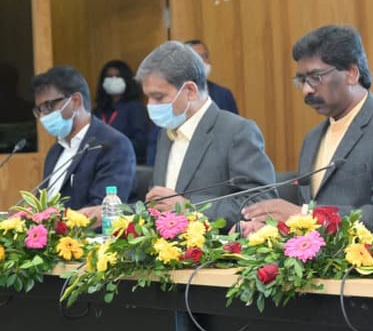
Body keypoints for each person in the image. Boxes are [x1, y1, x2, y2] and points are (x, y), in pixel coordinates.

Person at [239, 25, 373, 234]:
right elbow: (306, 224)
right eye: (301, 81)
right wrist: (268, 229)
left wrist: (305, 215)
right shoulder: (312, 139)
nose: (306, 90)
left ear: (352, 73)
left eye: (315, 78)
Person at [138, 40, 275, 229]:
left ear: (190, 91)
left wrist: (189, 208)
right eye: (148, 97)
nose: (150, 105)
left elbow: (261, 204)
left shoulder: (236, 131)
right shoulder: (165, 132)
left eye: (158, 97)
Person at [32, 65, 135, 209]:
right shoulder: (55, 151)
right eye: (39, 109)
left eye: (48, 106)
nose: (43, 116)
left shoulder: (113, 145)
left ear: (76, 101)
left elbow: (102, 209)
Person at [145, 39, 239, 165]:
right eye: (196, 57)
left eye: (204, 56)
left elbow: (233, 132)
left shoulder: (223, 94)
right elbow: (156, 139)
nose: (202, 61)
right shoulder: (168, 97)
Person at [93, 60, 149, 163]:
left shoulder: (135, 108)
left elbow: (141, 142)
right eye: (109, 76)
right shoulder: (98, 110)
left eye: (118, 76)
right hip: (101, 162)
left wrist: (114, 148)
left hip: (128, 162)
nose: (113, 80)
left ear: (126, 80)